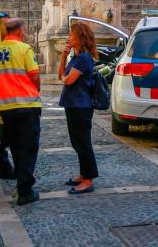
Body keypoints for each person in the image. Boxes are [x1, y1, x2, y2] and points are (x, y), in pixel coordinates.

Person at [0, 19, 42, 205]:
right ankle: (25, 191)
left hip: (4, 108)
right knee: (28, 148)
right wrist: (36, 92)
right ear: (19, 31)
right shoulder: (24, 49)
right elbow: (34, 75)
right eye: (24, 30)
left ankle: (21, 184)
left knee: (16, 147)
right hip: (26, 105)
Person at [57, 22, 100, 194]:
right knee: (77, 142)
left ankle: (88, 180)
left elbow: (68, 80)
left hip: (81, 106)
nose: (69, 37)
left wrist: (65, 78)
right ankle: (84, 174)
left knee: (82, 143)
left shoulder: (84, 58)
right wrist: (63, 56)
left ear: (80, 37)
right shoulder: (75, 57)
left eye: (71, 34)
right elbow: (61, 75)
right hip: (73, 105)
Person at [0, 12, 16, 179]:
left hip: (13, 99)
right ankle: (4, 168)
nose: (7, 28)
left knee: (12, 137)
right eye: (4, 25)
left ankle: (11, 168)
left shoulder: (16, 47)